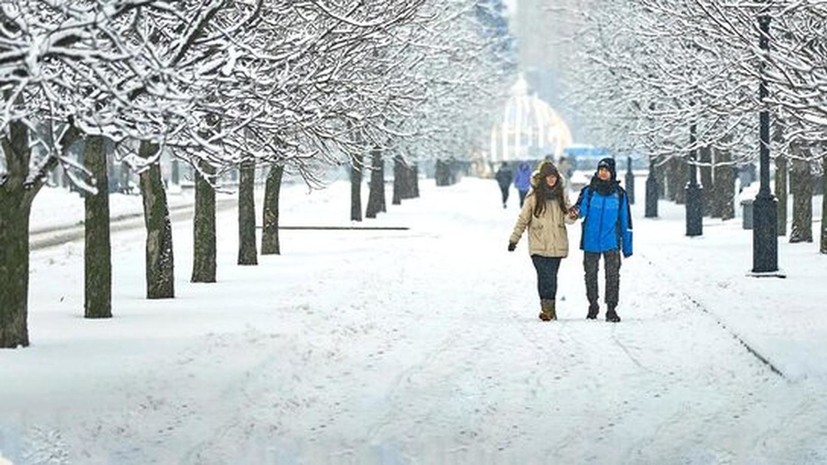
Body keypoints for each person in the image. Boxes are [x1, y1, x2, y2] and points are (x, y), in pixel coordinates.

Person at [508, 161, 576, 321]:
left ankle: (550, 310)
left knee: (552, 277)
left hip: (557, 243)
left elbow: (568, 218)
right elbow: (523, 219)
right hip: (538, 243)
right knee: (543, 276)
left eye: (553, 177)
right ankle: (546, 310)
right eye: (548, 177)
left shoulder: (562, 194)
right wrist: (514, 240)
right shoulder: (533, 196)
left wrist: (572, 215)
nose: (551, 180)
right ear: (543, 178)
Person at [570, 157, 633, 322]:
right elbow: (580, 211)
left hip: (611, 241)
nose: (603, 173)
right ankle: (593, 305)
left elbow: (625, 221)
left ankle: (611, 308)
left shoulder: (619, 194)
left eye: (606, 170)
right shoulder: (589, 192)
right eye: (601, 170)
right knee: (590, 274)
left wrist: (627, 247)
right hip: (590, 241)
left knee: (612, 276)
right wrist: (574, 212)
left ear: (612, 172)